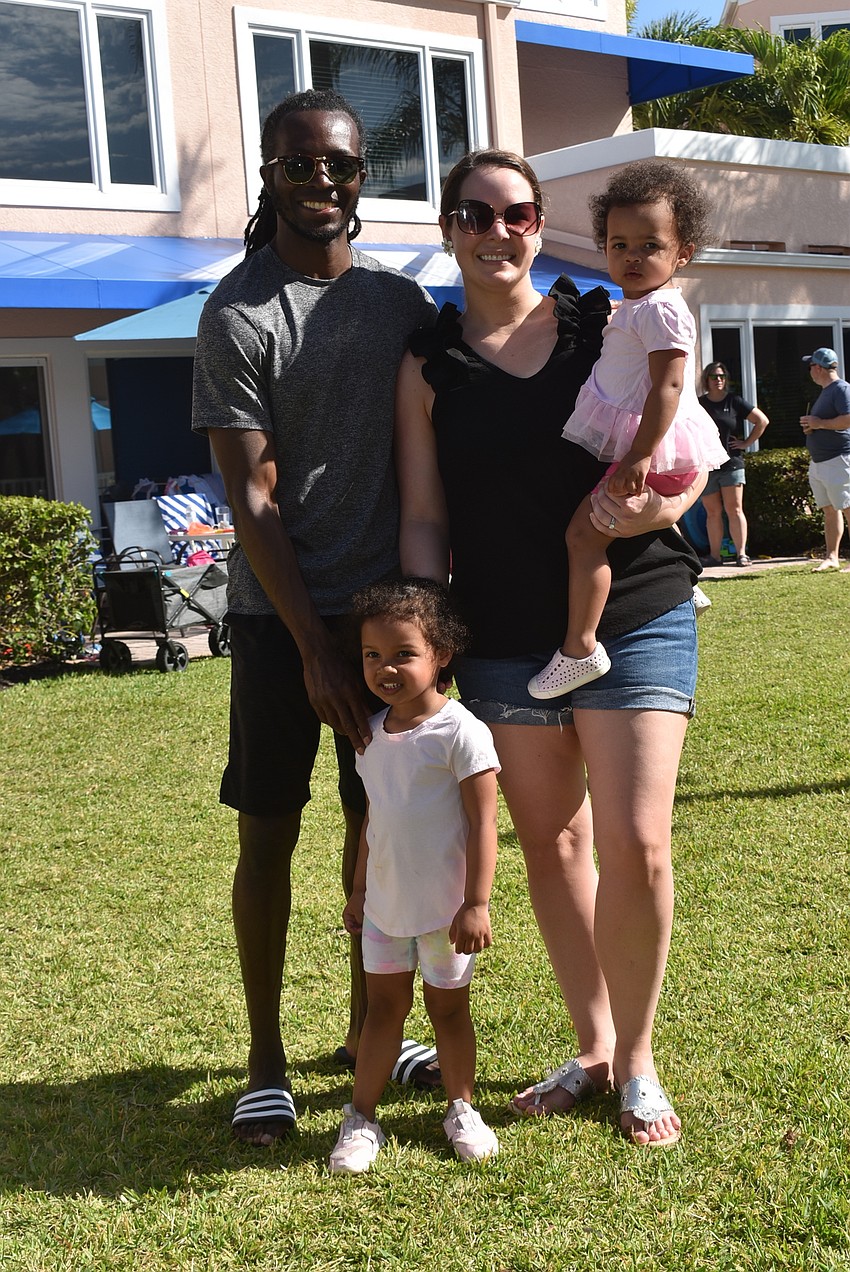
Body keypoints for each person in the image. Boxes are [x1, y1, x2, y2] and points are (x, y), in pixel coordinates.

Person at [396, 148, 708, 1147]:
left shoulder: (603, 315)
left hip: (637, 606)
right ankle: (594, 1046)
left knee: (637, 841)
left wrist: (641, 513)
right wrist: (421, 633)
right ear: (449, 227)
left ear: (539, 226)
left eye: (517, 214)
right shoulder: (427, 365)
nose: (498, 233)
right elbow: (423, 517)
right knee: (556, 844)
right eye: (475, 216)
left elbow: (691, 448)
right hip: (500, 633)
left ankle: (641, 1063)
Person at [191, 89, 437, 1146]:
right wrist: (311, 652)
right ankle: (264, 1061)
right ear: (269, 176)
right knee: (269, 835)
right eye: (299, 165)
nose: (322, 182)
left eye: (337, 164)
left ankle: (371, 1027)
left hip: (389, 620)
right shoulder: (237, 313)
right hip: (277, 618)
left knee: (382, 834)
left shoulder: (399, 308)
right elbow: (253, 501)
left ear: (359, 176)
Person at [528, 162, 727, 698]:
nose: (632, 257)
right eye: (619, 245)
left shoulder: (662, 309)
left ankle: (580, 648)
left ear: (682, 252)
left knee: (582, 536)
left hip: (655, 446)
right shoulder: (642, 306)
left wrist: (640, 455)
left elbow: (668, 388)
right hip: (651, 444)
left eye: (649, 246)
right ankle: (687, 584)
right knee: (620, 521)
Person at [328, 579, 501, 1173]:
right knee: (382, 1011)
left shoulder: (463, 734)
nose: (385, 668)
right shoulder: (369, 735)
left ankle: (461, 1107)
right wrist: (358, 891)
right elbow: (374, 821)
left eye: (404, 653)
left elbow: (484, 825)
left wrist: (476, 903)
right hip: (384, 912)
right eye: (373, 655)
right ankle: (361, 1116)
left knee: (449, 1011)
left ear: (440, 655)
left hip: (444, 913)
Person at [697, 361, 769, 568]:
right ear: (707, 380)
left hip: (732, 464)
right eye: (714, 377)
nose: (718, 380)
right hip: (708, 466)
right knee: (712, 512)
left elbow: (762, 420)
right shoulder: (700, 404)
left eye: (722, 376)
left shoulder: (734, 401)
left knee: (734, 509)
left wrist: (746, 443)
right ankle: (714, 556)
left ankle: (741, 554)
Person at [799, 347, 850, 572]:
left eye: (811, 366)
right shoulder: (827, 391)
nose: (810, 370)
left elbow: (848, 419)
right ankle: (832, 557)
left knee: (848, 508)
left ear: (818, 368)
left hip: (838, 459)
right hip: (820, 461)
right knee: (830, 509)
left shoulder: (841, 389)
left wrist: (819, 424)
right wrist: (814, 426)